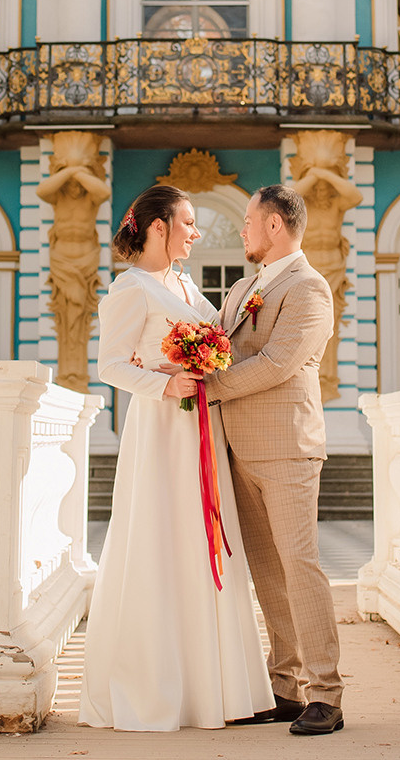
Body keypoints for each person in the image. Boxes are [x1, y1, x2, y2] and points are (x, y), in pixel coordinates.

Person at [78, 185, 275, 731]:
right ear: (158, 227)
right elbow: (111, 366)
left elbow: (217, 341)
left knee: (203, 538)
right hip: (162, 428)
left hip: (200, 422)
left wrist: (200, 364)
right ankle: (156, 688)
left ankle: (215, 692)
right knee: (162, 540)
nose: (195, 231)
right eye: (186, 223)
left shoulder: (185, 283)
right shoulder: (130, 288)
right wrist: (165, 386)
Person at [166, 184, 345, 736]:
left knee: (300, 564)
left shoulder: (310, 289)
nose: (240, 230)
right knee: (267, 572)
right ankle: (286, 686)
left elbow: (277, 363)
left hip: (288, 448)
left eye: (247, 220)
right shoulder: (244, 287)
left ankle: (328, 695)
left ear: (274, 225)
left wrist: (205, 388)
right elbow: (218, 342)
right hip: (236, 450)